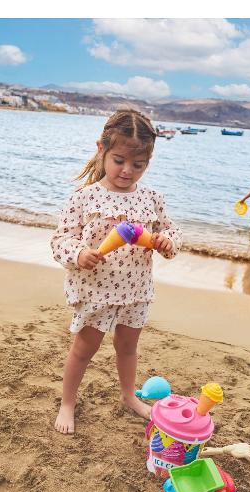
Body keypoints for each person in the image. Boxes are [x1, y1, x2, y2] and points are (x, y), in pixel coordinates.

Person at [50, 108, 182, 434]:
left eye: (138, 165)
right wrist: (79, 253)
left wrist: (166, 243)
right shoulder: (84, 198)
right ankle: (68, 402)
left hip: (136, 291)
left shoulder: (152, 198)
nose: (127, 171)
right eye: (119, 160)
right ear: (102, 150)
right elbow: (60, 239)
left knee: (128, 347)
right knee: (84, 349)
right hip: (97, 291)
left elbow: (172, 231)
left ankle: (129, 396)